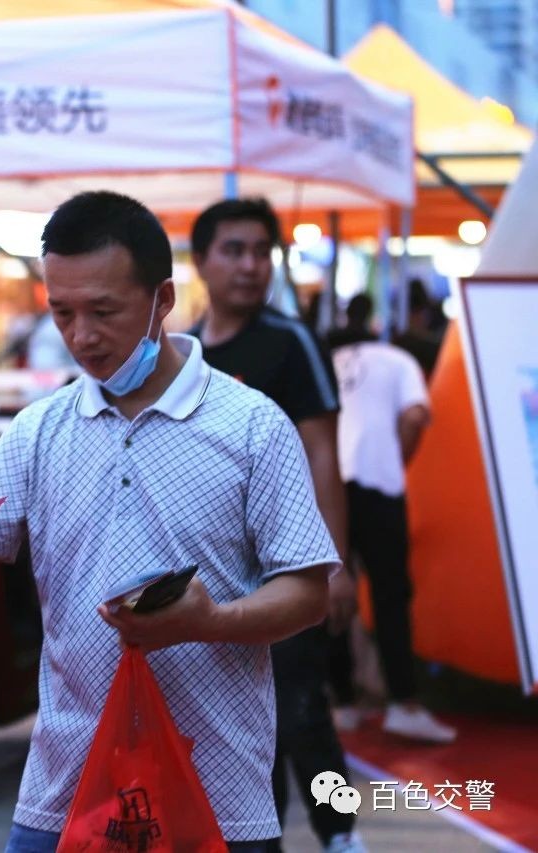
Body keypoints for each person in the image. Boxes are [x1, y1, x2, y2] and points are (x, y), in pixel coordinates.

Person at [0, 191, 336, 852]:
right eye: (62, 312)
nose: (81, 336)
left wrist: (210, 622)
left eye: (104, 311)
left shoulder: (251, 427)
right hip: (64, 792)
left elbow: (308, 593)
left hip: (216, 793)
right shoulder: (36, 432)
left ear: (162, 299)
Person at [190, 197, 362, 853]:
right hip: (216, 583)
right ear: (202, 260)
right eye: (234, 250)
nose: (251, 265)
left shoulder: (290, 342)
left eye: (262, 251)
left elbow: (324, 452)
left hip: (288, 572)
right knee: (240, 729)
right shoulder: (186, 356)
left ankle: (341, 833)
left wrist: (335, 563)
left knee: (303, 713)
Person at [328, 295, 456, 743]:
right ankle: (403, 701)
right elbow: (416, 415)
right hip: (378, 485)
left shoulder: (330, 359)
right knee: (391, 594)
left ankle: (343, 701)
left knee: (332, 594)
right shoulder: (400, 360)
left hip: (328, 485)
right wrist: (396, 461)